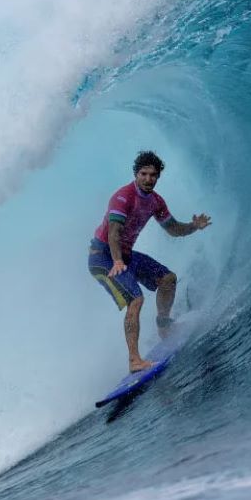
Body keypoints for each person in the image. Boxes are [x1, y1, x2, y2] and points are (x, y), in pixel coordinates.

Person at [87, 151, 211, 372]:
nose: (148, 179)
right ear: (136, 174)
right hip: (103, 257)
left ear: (158, 177)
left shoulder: (156, 201)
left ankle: (164, 326)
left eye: (153, 175)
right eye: (143, 174)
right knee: (136, 299)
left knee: (168, 279)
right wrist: (117, 261)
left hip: (125, 256)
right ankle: (134, 361)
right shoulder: (123, 197)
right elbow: (114, 232)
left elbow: (173, 229)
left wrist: (194, 226)